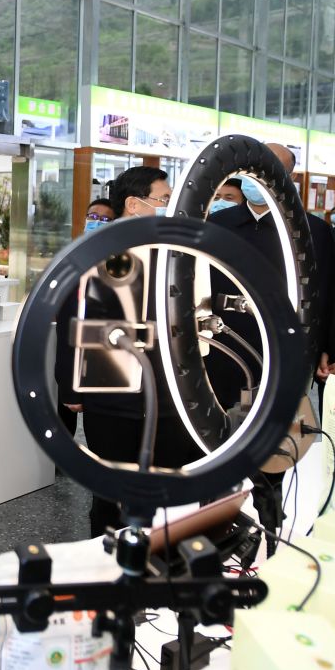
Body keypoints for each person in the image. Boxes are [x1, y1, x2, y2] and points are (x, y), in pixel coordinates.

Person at [56, 166, 204, 538]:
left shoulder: (174, 251)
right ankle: (106, 570)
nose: (170, 208)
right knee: (111, 493)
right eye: (163, 200)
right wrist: (72, 387)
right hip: (112, 397)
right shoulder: (96, 250)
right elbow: (74, 317)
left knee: (168, 489)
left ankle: (161, 567)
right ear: (135, 204)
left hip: (170, 396)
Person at [205, 142, 333, 553]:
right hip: (224, 352)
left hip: (282, 358)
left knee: (274, 454)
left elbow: (325, 296)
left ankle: (271, 530)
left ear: (288, 177)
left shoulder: (312, 231)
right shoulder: (219, 225)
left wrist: (320, 353)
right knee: (217, 445)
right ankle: (213, 533)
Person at [57, 198, 118, 433]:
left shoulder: (121, 263)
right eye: (93, 216)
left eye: (105, 219)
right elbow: (68, 329)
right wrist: (70, 388)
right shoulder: (74, 258)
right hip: (74, 368)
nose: (96, 222)